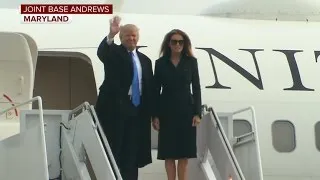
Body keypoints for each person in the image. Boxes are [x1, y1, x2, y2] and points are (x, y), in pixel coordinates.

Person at [95, 15, 154, 180]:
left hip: (137, 110)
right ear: (122, 38)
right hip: (116, 109)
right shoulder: (114, 53)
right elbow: (103, 53)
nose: (131, 38)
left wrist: (153, 114)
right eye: (128, 35)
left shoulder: (145, 61)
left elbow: (149, 88)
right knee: (114, 149)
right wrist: (111, 35)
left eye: (134, 35)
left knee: (133, 152)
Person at [152, 29, 202, 180]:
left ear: (184, 44)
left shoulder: (191, 62)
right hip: (166, 111)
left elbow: (197, 88)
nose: (177, 44)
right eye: (174, 41)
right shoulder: (160, 64)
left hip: (186, 111)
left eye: (181, 41)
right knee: (168, 154)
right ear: (169, 44)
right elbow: (155, 90)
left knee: (183, 155)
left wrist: (197, 113)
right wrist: (155, 115)